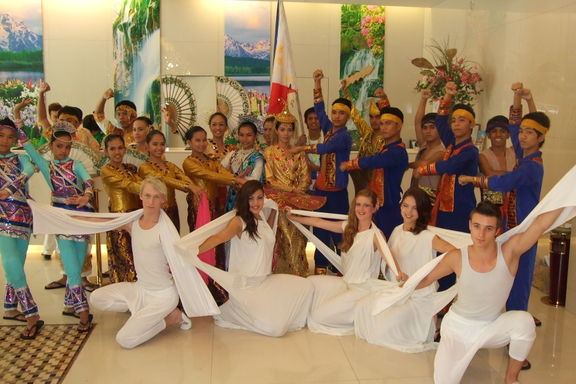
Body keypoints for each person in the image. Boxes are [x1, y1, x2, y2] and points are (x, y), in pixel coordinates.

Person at [28, 177, 220, 349]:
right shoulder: (133, 223)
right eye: (147, 196)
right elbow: (98, 222)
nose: (151, 201)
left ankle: (172, 318)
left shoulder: (166, 231)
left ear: (163, 200)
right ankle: (142, 312)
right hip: (141, 289)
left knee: (125, 340)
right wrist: (64, 214)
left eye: (156, 197)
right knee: (97, 298)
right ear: (141, 197)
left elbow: (182, 260)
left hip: (162, 296)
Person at [415, 201, 564, 384]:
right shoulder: (457, 257)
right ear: (469, 225)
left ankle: (511, 379)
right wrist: (402, 288)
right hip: (457, 329)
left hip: (491, 326)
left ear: (497, 231)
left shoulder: (509, 252)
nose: (481, 234)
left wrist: (567, 195)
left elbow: (540, 224)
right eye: (476, 226)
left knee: (524, 322)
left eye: (488, 228)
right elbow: (426, 279)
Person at [185, 180, 314, 337]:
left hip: (265, 281)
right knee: (276, 330)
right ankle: (228, 313)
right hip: (246, 287)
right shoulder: (239, 221)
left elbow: (269, 229)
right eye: (251, 198)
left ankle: (259, 310)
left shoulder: (263, 218)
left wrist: (277, 210)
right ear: (244, 199)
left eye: (259, 198)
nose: (256, 203)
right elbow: (219, 237)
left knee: (305, 286)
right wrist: (193, 251)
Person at [459, 84, 545, 316]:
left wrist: (472, 179)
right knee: (504, 271)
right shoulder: (524, 154)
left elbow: (504, 182)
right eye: (521, 132)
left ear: (540, 138)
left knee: (520, 276)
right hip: (511, 225)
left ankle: (517, 325)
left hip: (525, 228)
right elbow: (516, 123)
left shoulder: (531, 167)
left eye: (530, 133)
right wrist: (521, 97)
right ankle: (499, 315)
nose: (522, 136)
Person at [287, 189, 405, 335]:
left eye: (366, 205)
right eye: (358, 204)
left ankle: (359, 316)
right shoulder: (349, 227)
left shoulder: (375, 235)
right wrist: (294, 217)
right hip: (345, 283)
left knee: (317, 316)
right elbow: (318, 222)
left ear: (375, 208)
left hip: (361, 290)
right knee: (311, 282)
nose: (361, 209)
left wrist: (399, 273)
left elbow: (389, 257)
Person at [354, 187, 455, 351]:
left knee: (379, 331)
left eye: (414, 208)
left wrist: (429, 275)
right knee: (363, 309)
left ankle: (428, 325)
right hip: (397, 290)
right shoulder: (397, 230)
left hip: (418, 297)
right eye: (405, 206)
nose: (408, 211)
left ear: (422, 211)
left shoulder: (428, 237)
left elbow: (454, 254)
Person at [18, 120, 94, 331]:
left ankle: (70, 305)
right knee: (71, 264)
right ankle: (83, 312)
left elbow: (88, 181)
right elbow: (29, 149)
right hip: (59, 218)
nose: (63, 150)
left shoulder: (76, 164)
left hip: (80, 217)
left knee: (76, 266)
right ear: (52, 146)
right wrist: (17, 120)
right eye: (59, 146)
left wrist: (85, 196)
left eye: (67, 147)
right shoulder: (47, 166)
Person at [413, 82, 479, 291]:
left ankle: (452, 294)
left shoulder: (470, 151)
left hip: (460, 209)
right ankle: (442, 292)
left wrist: (424, 169)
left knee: (455, 251)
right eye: (455, 120)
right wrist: (448, 98)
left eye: (462, 121)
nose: (456, 124)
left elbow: (449, 165)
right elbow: (440, 121)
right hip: (443, 207)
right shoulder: (453, 143)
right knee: (441, 251)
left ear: (472, 126)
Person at [290, 69, 352, 275]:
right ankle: (321, 268)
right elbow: (319, 109)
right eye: (335, 112)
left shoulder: (344, 136)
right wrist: (316, 84)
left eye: (341, 113)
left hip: (337, 192)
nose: (336, 116)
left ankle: (345, 268)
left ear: (348, 117)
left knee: (340, 231)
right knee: (320, 230)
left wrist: (301, 148)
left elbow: (324, 149)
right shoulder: (328, 129)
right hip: (321, 190)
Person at [0, 118, 43, 339]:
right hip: (2, 218)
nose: (5, 141)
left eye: (10, 137)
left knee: (18, 261)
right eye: (1, 136)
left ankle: (10, 306)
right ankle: (30, 312)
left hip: (24, 216)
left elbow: (29, 170)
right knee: (10, 262)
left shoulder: (21, 158)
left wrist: (9, 189)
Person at [340, 106, 408, 239]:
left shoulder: (397, 151)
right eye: (382, 123)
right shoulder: (387, 148)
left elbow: (375, 161)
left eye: (388, 123)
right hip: (379, 205)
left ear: (399, 126)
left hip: (389, 206)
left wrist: (350, 164)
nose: (383, 127)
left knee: (387, 244)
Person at [264, 108, 311, 276]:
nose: (286, 133)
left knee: (298, 239)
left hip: (297, 202)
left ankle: (299, 274)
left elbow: (306, 177)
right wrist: (290, 191)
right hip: (278, 202)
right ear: (276, 130)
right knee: (282, 239)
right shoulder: (270, 152)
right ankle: (280, 275)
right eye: (282, 129)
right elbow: (270, 179)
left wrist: (298, 192)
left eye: (289, 129)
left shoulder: (298, 151)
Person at [100, 134, 142, 283]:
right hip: (120, 220)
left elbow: (138, 182)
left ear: (125, 150)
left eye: (120, 148)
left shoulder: (131, 169)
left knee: (139, 258)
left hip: (136, 218)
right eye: (112, 149)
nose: (117, 152)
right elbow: (127, 185)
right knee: (126, 259)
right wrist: (149, 190)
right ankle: (128, 296)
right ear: (106, 151)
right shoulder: (106, 171)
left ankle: (141, 295)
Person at [138, 130, 199, 232]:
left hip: (172, 210)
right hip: (154, 210)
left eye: (162, 144)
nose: (159, 147)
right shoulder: (145, 167)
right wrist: (188, 187)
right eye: (155, 144)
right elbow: (164, 179)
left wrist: (195, 188)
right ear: (147, 146)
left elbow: (183, 176)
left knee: (173, 240)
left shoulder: (170, 165)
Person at [341, 80, 387, 193]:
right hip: (362, 183)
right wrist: (345, 93)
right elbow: (355, 116)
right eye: (371, 117)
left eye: (377, 117)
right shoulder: (367, 132)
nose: (374, 120)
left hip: (381, 186)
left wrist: (384, 98)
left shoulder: (388, 139)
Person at [409, 89, 444, 204]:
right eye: (425, 128)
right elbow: (417, 122)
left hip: (432, 200)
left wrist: (406, 164)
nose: (428, 131)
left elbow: (424, 164)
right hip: (417, 196)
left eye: (432, 127)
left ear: (440, 128)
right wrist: (423, 99)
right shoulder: (424, 145)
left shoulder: (443, 150)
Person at [221, 121, 264, 212]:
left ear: (255, 136)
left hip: (250, 200)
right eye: (241, 135)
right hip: (231, 199)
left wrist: (233, 178)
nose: (245, 139)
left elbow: (254, 181)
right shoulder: (232, 154)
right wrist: (233, 177)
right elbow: (220, 170)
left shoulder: (258, 157)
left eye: (249, 135)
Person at [477, 115, 516, 210]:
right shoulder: (483, 156)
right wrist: (517, 175)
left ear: (508, 134)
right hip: (491, 207)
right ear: (488, 135)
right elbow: (490, 174)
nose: (498, 135)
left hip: (514, 206)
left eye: (502, 131)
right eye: (494, 131)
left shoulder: (514, 152)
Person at [296, 107, 323, 191]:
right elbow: (291, 161)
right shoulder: (302, 140)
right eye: (310, 118)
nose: (313, 121)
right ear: (306, 122)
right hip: (305, 186)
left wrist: (318, 168)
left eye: (316, 118)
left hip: (323, 185)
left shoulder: (326, 140)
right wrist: (298, 145)